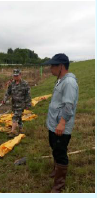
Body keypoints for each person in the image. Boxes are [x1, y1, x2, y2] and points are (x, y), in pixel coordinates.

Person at [42, 53, 78, 193]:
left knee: (60, 151)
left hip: (60, 126)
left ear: (61, 66)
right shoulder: (60, 79)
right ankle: (56, 170)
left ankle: (59, 185)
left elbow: (69, 106)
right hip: (54, 124)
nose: (51, 68)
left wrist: (62, 123)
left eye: (53, 65)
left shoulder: (69, 82)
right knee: (55, 148)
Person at [2, 69, 31, 137]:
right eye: (14, 76)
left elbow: (28, 94)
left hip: (21, 104)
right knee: (19, 117)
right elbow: (8, 92)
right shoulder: (12, 84)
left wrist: (28, 104)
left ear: (20, 75)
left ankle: (13, 132)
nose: (15, 77)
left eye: (17, 75)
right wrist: (4, 99)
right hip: (14, 104)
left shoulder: (25, 84)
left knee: (15, 117)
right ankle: (21, 129)